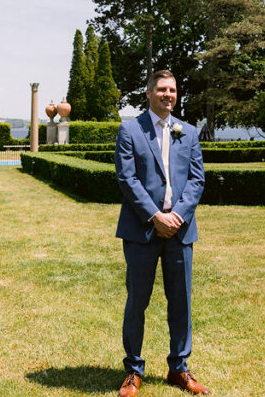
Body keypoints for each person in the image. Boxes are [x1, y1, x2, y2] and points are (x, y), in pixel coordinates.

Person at [114, 70, 209, 396]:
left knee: (180, 302)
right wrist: (155, 216)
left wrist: (177, 217)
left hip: (180, 232)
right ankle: (133, 371)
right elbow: (127, 179)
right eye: (162, 89)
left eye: (172, 90)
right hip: (141, 230)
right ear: (149, 92)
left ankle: (179, 369)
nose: (168, 94)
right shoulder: (130, 130)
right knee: (137, 302)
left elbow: (197, 180)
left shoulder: (190, 132)